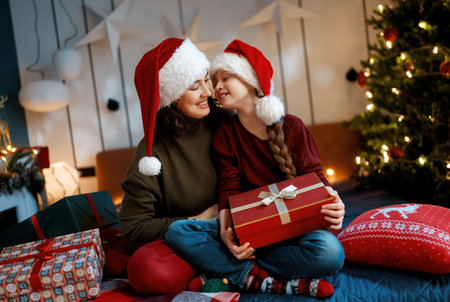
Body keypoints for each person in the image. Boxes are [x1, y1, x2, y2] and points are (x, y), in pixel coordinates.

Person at [165, 39, 345, 298]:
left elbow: (316, 179)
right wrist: (228, 237)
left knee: (330, 253)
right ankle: (262, 279)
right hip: (247, 232)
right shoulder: (225, 135)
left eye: (225, 78)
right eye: (214, 81)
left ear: (250, 80)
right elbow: (228, 188)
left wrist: (335, 205)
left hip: (293, 230)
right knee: (177, 232)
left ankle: (231, 271)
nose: (217, 87)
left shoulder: (293, 126)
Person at [119, 37, 231, 294]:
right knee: (146, 270)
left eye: (206, 79)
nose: (208, 92)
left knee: (323, 250)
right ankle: (228, 268)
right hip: (190, 239)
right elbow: (133, 227)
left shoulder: (226, 121)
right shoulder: (151, 152)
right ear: (171, 96)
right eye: (194, 86)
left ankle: (220, 271)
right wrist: (198, 219)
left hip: (238, 226)